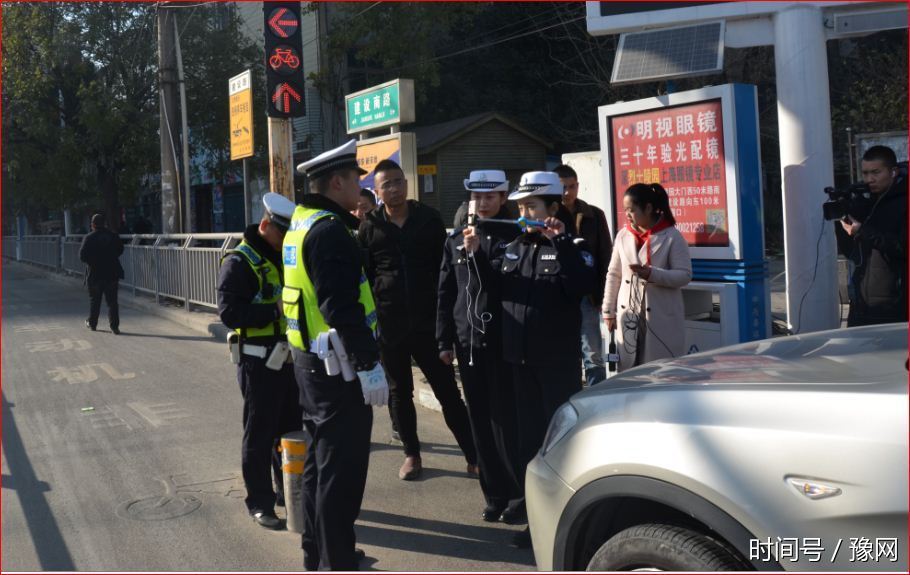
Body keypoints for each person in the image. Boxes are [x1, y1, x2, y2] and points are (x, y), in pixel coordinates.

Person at [284, 139, 389, 571]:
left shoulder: (301, 222)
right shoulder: (329, 231)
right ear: (336, 181)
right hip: (338, 367)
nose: (361, 189)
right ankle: (337, 560)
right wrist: (369, 366)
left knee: (319, 465)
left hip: (311, 364)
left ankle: (320, 551)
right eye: (356, 180)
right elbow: (341, 307)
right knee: (340, 471)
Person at [358, 159, 478, 481]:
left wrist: (448, 323)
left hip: (429, 323)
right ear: (378, 190)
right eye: (387, 184)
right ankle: (411, 454)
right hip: (390, 325)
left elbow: (447, 271)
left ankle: (473, 455)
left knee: (448, 393)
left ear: (406, 184)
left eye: (399, 181)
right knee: (400, 394)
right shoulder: (369, 226)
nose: (394, 189)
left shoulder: (428, 219)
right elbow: (365, 277)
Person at [500, 171, 596, 547]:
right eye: (521, 206)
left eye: (532, 206)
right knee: (528, 442)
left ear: (553, 209)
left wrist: (563, 244)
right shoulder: (513, 247)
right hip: (518, 360)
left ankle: (563, 519)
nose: (525, 213)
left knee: (559, 443)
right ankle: (534, 515)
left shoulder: (574, 245)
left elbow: (582, 287)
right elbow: (493, 290)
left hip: (555, 362)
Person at [437, 170, 523, 523]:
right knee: (479, 421)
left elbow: (506, 288)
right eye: (477, 197)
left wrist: (479, 255)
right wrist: (443, 339)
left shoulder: (515, 237)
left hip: (503, 342)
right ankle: (493, 494)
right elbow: (445, 291)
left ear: (503, 198)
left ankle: (517, 496)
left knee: (507, 421)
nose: (483, 203)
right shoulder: (456, 238)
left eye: (490, 196)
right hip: (467, 340)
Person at [216, 192, 303, 531]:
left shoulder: (286, 255)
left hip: (289, 359)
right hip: (257, 362)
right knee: (259, 433)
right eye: (283, 233)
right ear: (266, 225)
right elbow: (229, 313)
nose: (286, 240)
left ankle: (288, 491)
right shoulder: (240, 262)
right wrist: (273, 310)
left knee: (290, 430)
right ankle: (260, 503)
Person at [603, 183, 692, 372]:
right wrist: (608, 310)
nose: (627, 215)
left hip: (660, 317)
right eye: (625, 210)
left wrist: (652, 273)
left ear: (648, 208)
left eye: (632, 210)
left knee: (661, 372)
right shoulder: (623, 236)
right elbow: (614, 274)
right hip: (629, 314)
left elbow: (684, 275)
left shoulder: (672, 236)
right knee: (628, 370)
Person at [554, 164, 613, 386]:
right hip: (559, 293)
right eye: (562, 187)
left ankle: (596, 395)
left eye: (571, 187)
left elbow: (605, 256)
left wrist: (603, 296)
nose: (567, 192)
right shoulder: (548, 216)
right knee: (564, 350)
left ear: (578, 186)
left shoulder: (594, 215)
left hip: (588, 293)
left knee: (593, 351)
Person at [840, 145, 907, 326]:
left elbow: (902, 247)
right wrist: (845, 223)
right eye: (865, 173)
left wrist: (863, 231)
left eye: (876, 172)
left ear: (893, 172)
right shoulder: (866, 202)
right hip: (862, 305)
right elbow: (851, 253)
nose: (870, 179)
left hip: (896, 307)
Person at [79, 213, 124, 334]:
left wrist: (92, 261)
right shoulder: (113, 236)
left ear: (93, 224)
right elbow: (120, 249)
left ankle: (93, 324)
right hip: (112, 273)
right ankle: (115, 327)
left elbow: (82, 256)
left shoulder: (89, 237)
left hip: (95, 274)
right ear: (104, 223)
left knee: (95, 300)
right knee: (112, 302)